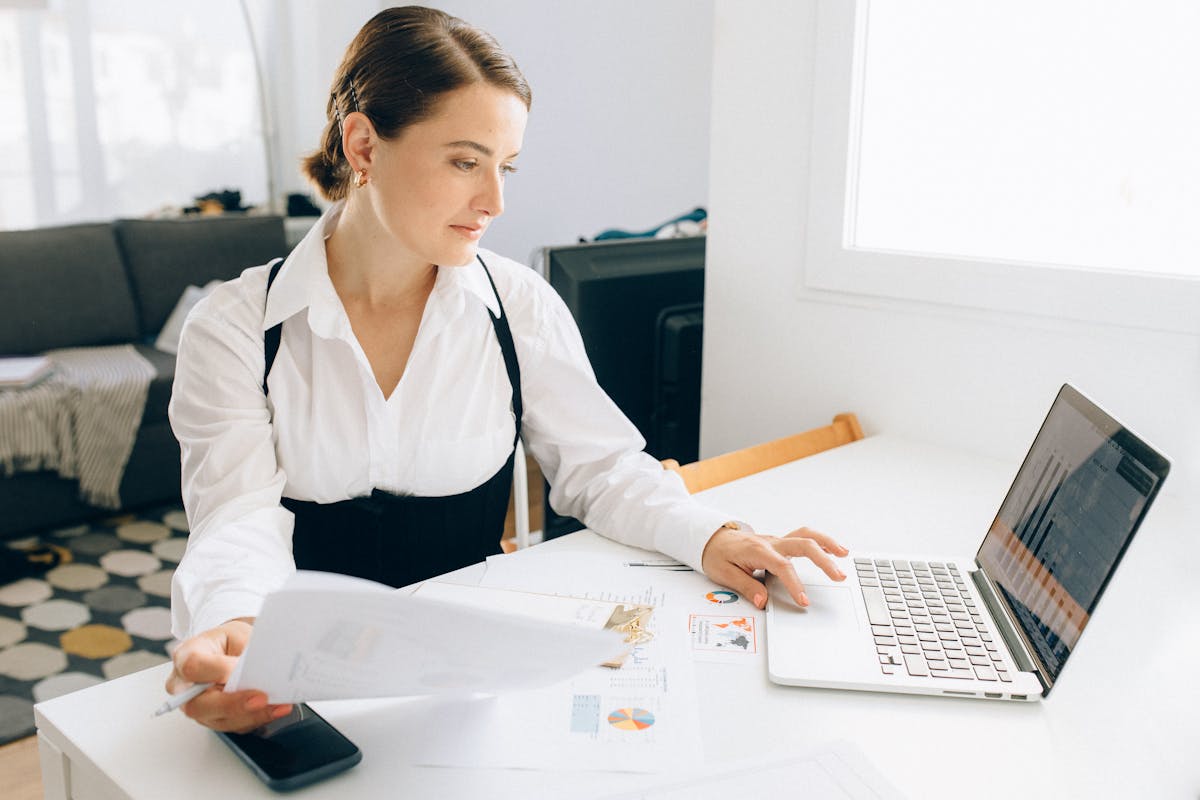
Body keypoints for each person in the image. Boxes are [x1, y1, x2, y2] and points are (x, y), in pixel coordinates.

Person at [165, 5, 848, 733]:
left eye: (505, 166)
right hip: (302, 685)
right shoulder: (236, 328)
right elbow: (235, 522)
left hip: (466, 683)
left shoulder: (517, 304)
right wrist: (240, 631)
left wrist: (710, 534)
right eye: (465, 161)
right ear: (362, 144)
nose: (495, 202)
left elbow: (602, 469)